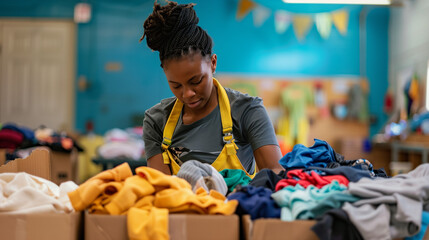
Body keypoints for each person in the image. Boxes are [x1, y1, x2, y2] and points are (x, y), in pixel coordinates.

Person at [140, 1, 284, 178]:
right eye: (176, 85)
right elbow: (161, 188)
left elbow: (276, 173)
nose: (187, 94)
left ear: (213, 63)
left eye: (196, 81)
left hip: (239, 205)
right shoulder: (156, 121)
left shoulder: (247, 110)